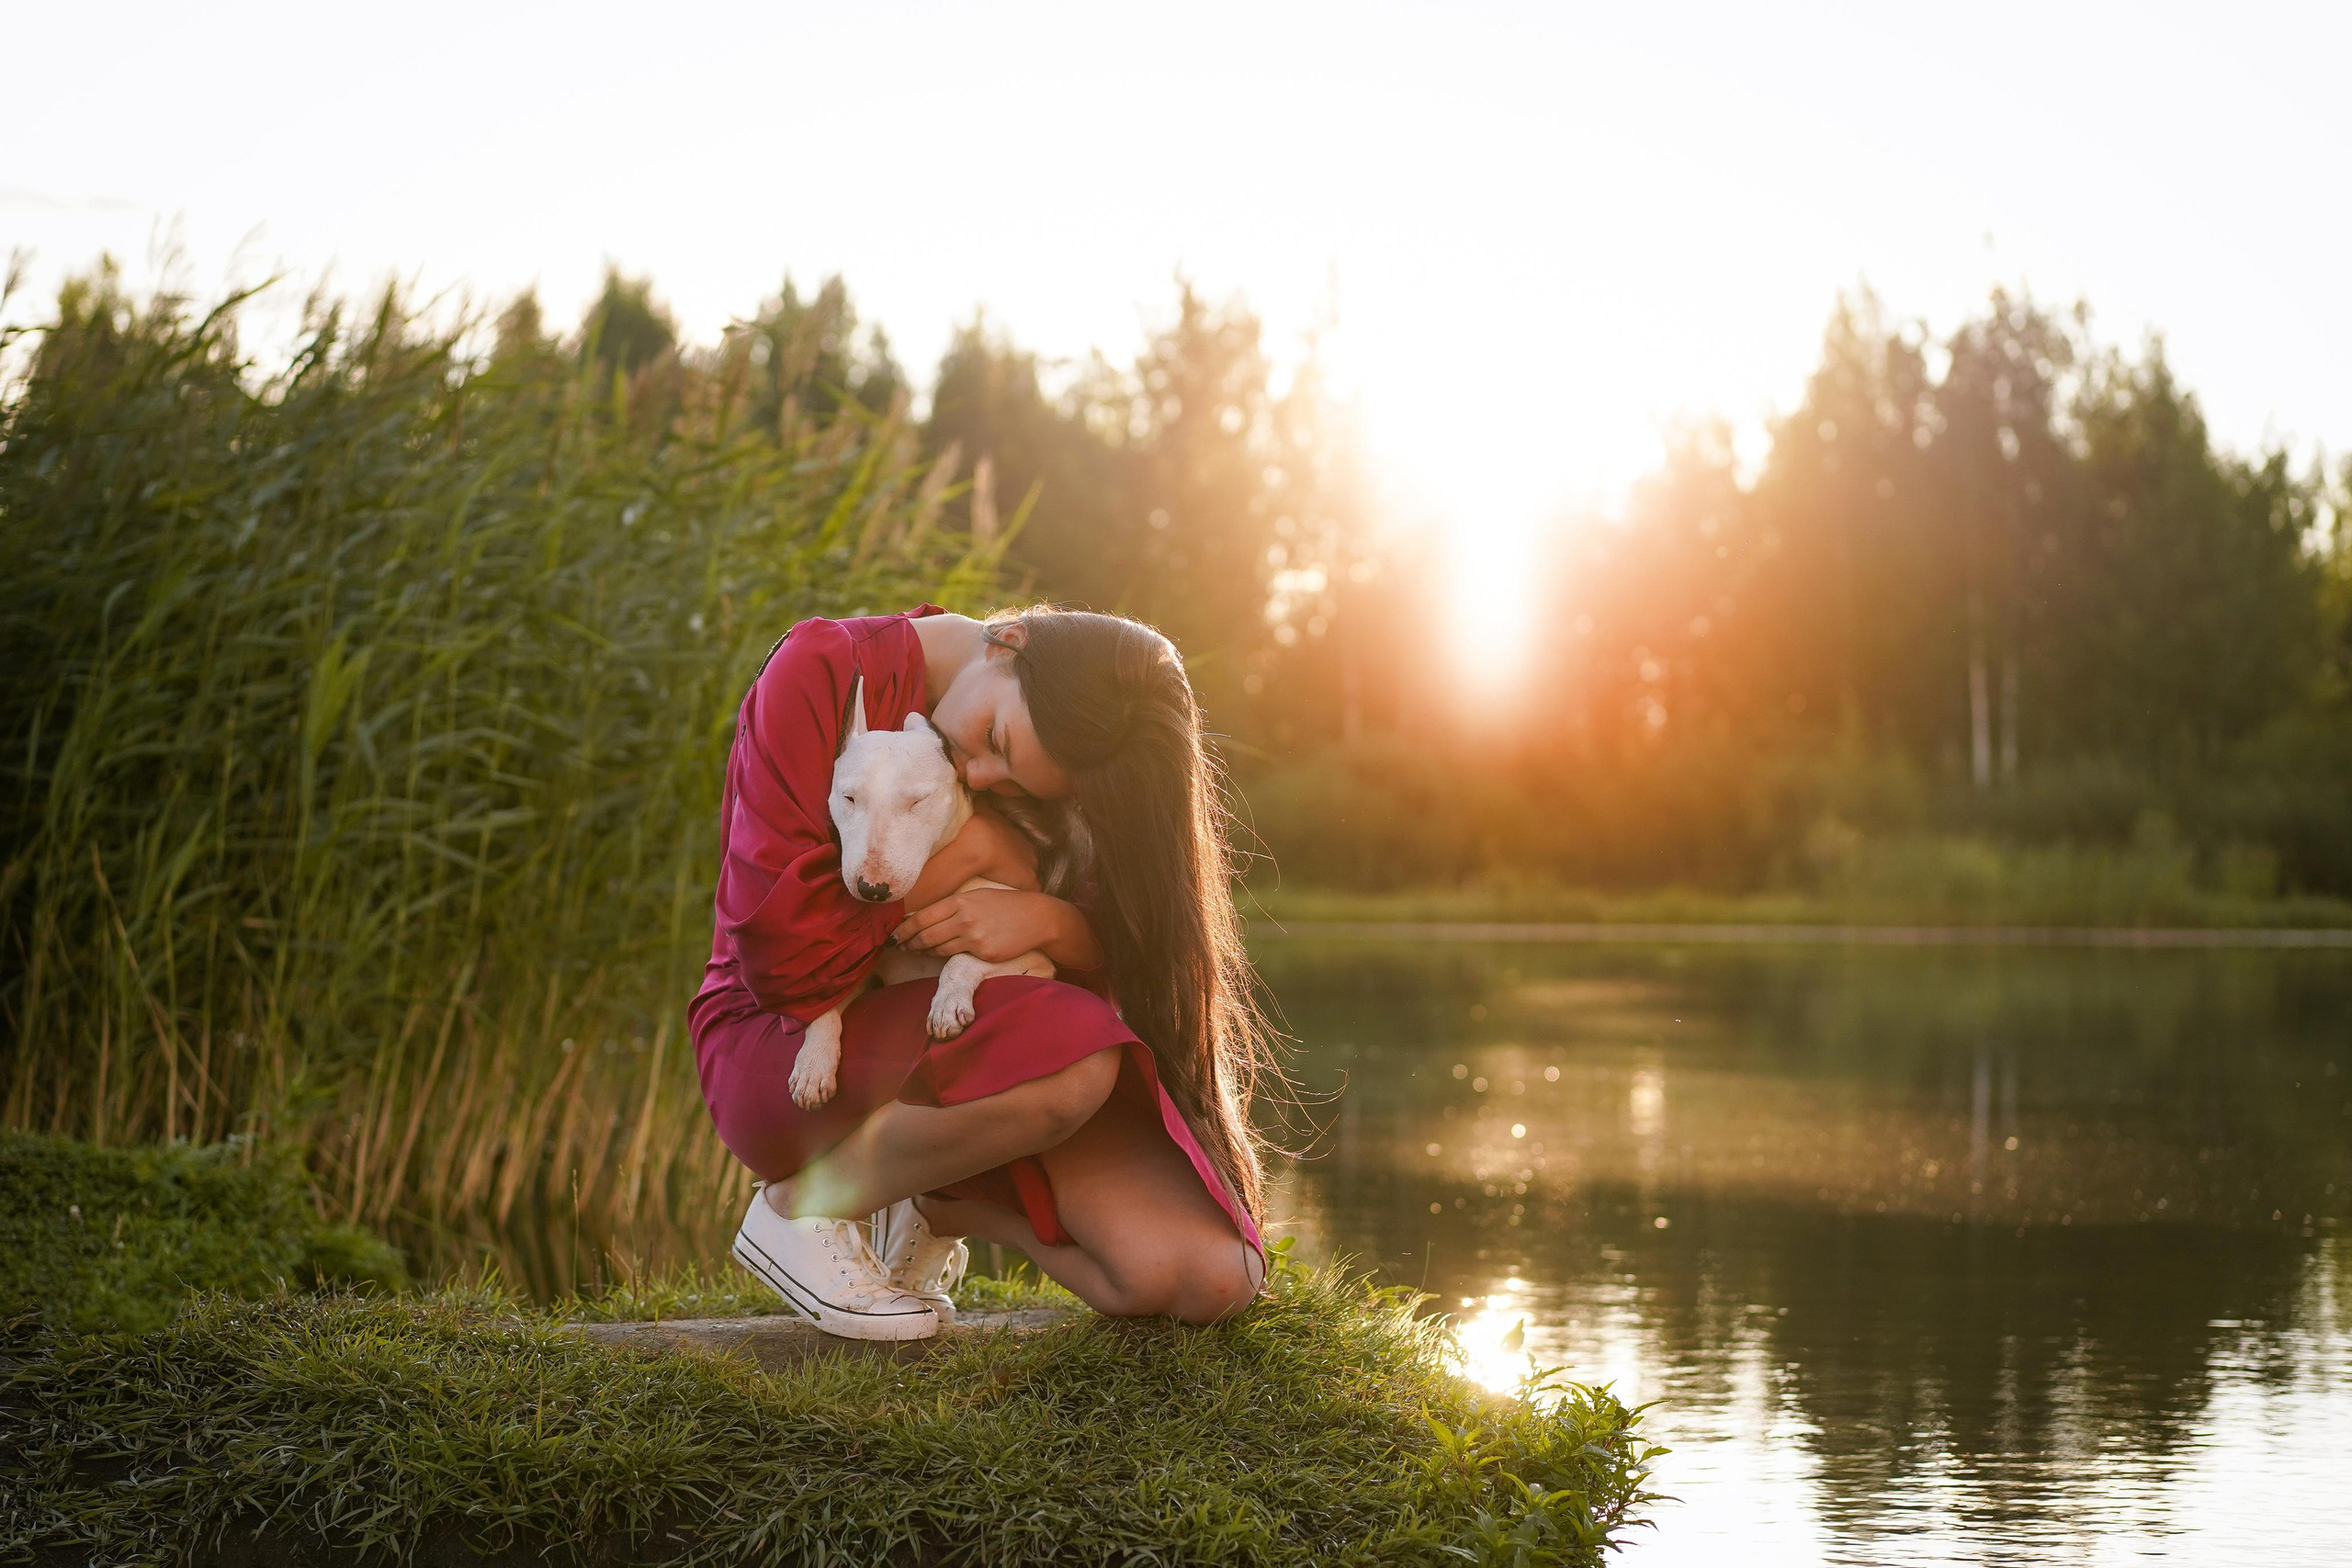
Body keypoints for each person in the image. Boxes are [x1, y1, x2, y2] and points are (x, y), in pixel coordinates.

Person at [690, 603, 1274, 1337]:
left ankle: (944, 1201)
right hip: (784, 1044)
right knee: (1076, 1055)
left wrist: (1049, 920)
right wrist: (979, 853)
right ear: (1008, 642)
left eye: (1023, 788)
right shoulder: (820, 671)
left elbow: (1129, 943)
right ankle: (799, 1209)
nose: (981, 773)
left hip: (999, 1054)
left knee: (1213, 1277)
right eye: (996, 740)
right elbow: (788, 961)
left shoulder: (1070, 726)